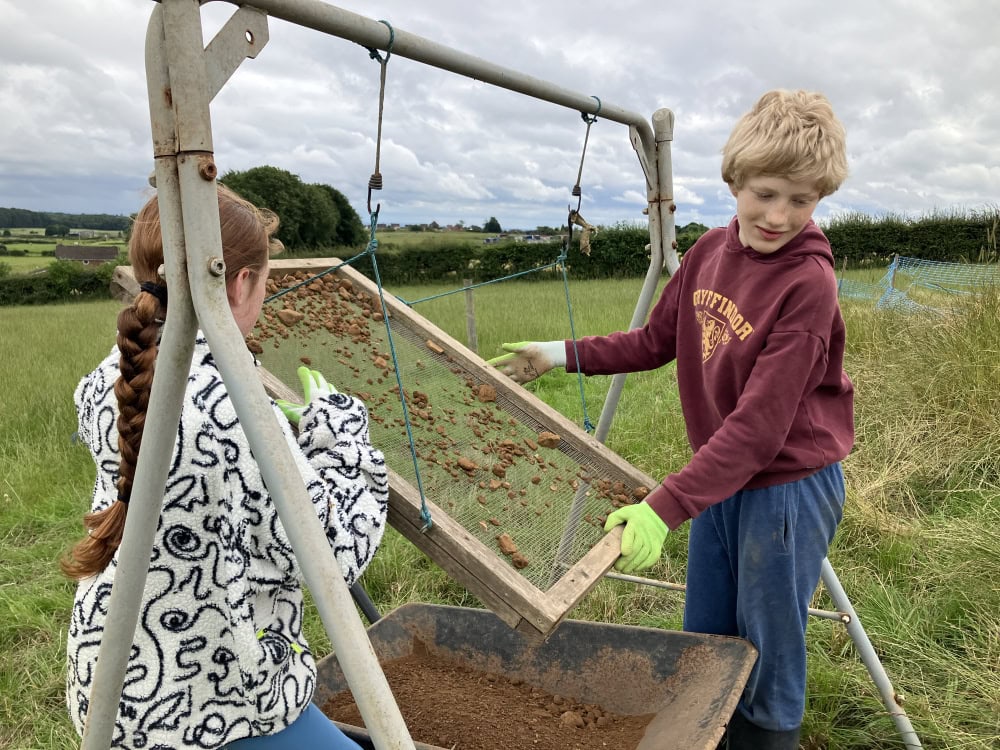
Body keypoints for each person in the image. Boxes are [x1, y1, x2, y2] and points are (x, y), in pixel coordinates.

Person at [489, 89, 854, 750]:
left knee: (768, 649)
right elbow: (655, 341)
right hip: (721, 477)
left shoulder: (808, 285)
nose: (779, 215)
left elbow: (760, 429)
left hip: (785, 487)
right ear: (735, 180)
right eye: (767, 193)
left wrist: (665, 505)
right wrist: (559, 354)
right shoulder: (710, 253)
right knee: (707, 633)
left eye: (802, 201)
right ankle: (706, 736)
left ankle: (767, 742)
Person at [62, 185, 389, 749]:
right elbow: (332, 555)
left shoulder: (112, 378)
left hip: (111, 683)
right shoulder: (233, 412)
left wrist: (285, 448)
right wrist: (342, 439)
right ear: (238, 285)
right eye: (264, 280)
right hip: (212, 698)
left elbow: (216, 489)